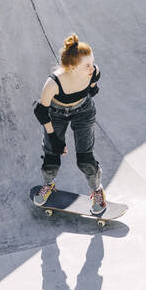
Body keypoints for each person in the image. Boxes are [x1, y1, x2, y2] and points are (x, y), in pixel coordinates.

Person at [33, 33, 106, 214]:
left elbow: (94, 82)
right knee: (51, 156)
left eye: (92, 62)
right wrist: (53, 138)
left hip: (84, 112)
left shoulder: (93, 72)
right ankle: (49, 185)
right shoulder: (53, 83)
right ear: (72, 67)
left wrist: (91, 88)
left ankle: (97, 190)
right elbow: (40, 111)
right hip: (56, 115)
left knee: (85, 159)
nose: (92, 68)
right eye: (87, 65)